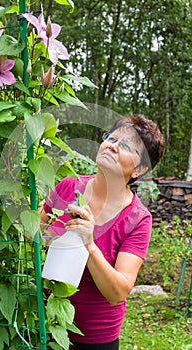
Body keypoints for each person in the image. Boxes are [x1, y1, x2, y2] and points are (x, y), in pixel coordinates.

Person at [40, 114, 165, 350]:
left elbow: (117, 292)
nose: (112, 146)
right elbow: (33, 235)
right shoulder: (67, 186)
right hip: (44, 323)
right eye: (111, 138)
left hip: (94, 338)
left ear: (139, 169)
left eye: (126, 146)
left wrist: (89, 243)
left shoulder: (137, 219)